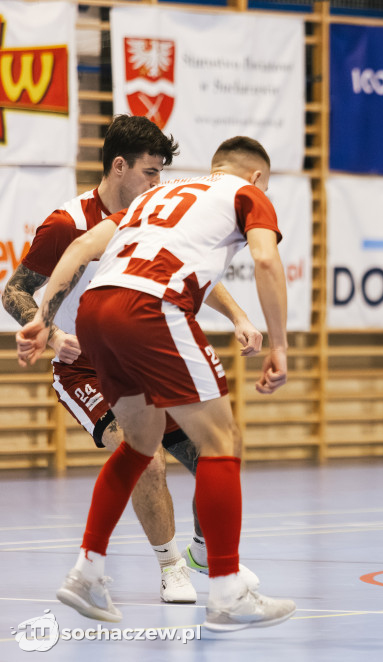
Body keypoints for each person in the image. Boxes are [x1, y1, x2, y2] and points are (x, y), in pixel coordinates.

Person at [17, 135, 294, 632]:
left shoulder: (158, 195)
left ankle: (88, 571)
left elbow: (85, 247)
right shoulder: (247, 195)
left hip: (97, 312)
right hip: (152, 307)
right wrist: (279, 346)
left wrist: (43, 315)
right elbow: (268, 261)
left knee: (139, 445)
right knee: (220, 441)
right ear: (255, 178)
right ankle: (227, 590)